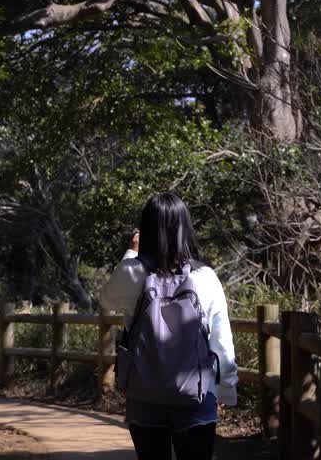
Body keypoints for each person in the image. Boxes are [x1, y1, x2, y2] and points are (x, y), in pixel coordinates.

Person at [99, 193, 238, 460]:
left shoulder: (133, 272)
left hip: (144, 395)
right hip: (196, 394)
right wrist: (226, 390)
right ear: (185, 227)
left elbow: (106, 301)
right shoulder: (205, 277)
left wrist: (132, 250)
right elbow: (221, 339)